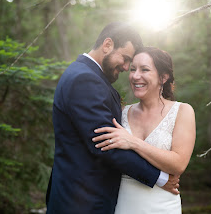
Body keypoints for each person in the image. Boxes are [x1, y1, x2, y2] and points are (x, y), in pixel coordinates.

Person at [45, 23, 179, 214]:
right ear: (107, 45)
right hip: (81, 202)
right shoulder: (84, 79)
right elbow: (106, 143)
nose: (126, 68)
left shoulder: (88, 76)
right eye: (125, 59)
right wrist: (159, 178)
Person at [93, 47, 196, 213]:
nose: (135, 76)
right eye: (133, 69)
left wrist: (133, 142)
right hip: (122, 205)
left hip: (163, 206)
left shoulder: (183, 111)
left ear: (163, 77)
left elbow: (178, 164)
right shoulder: (121, 112)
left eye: (145, 69)